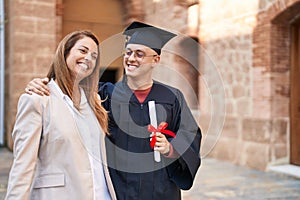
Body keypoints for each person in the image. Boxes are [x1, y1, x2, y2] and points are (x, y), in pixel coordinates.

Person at [25, 21, 202, 200]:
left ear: (155, 60)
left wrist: (170, 148)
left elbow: (190, 133)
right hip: (119, 190)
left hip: (161, 190)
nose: (131, 58)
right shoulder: (103, 94)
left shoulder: (172, 97)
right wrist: (43, 82)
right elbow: (68, 90)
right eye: (129, 52)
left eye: (139, 54)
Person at [6, 30, 116, 200]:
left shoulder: (95, 101)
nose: (88, 58)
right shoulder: (38, 100)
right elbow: (23, 166)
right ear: (65, 52)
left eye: (94, 56)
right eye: (83, 50)